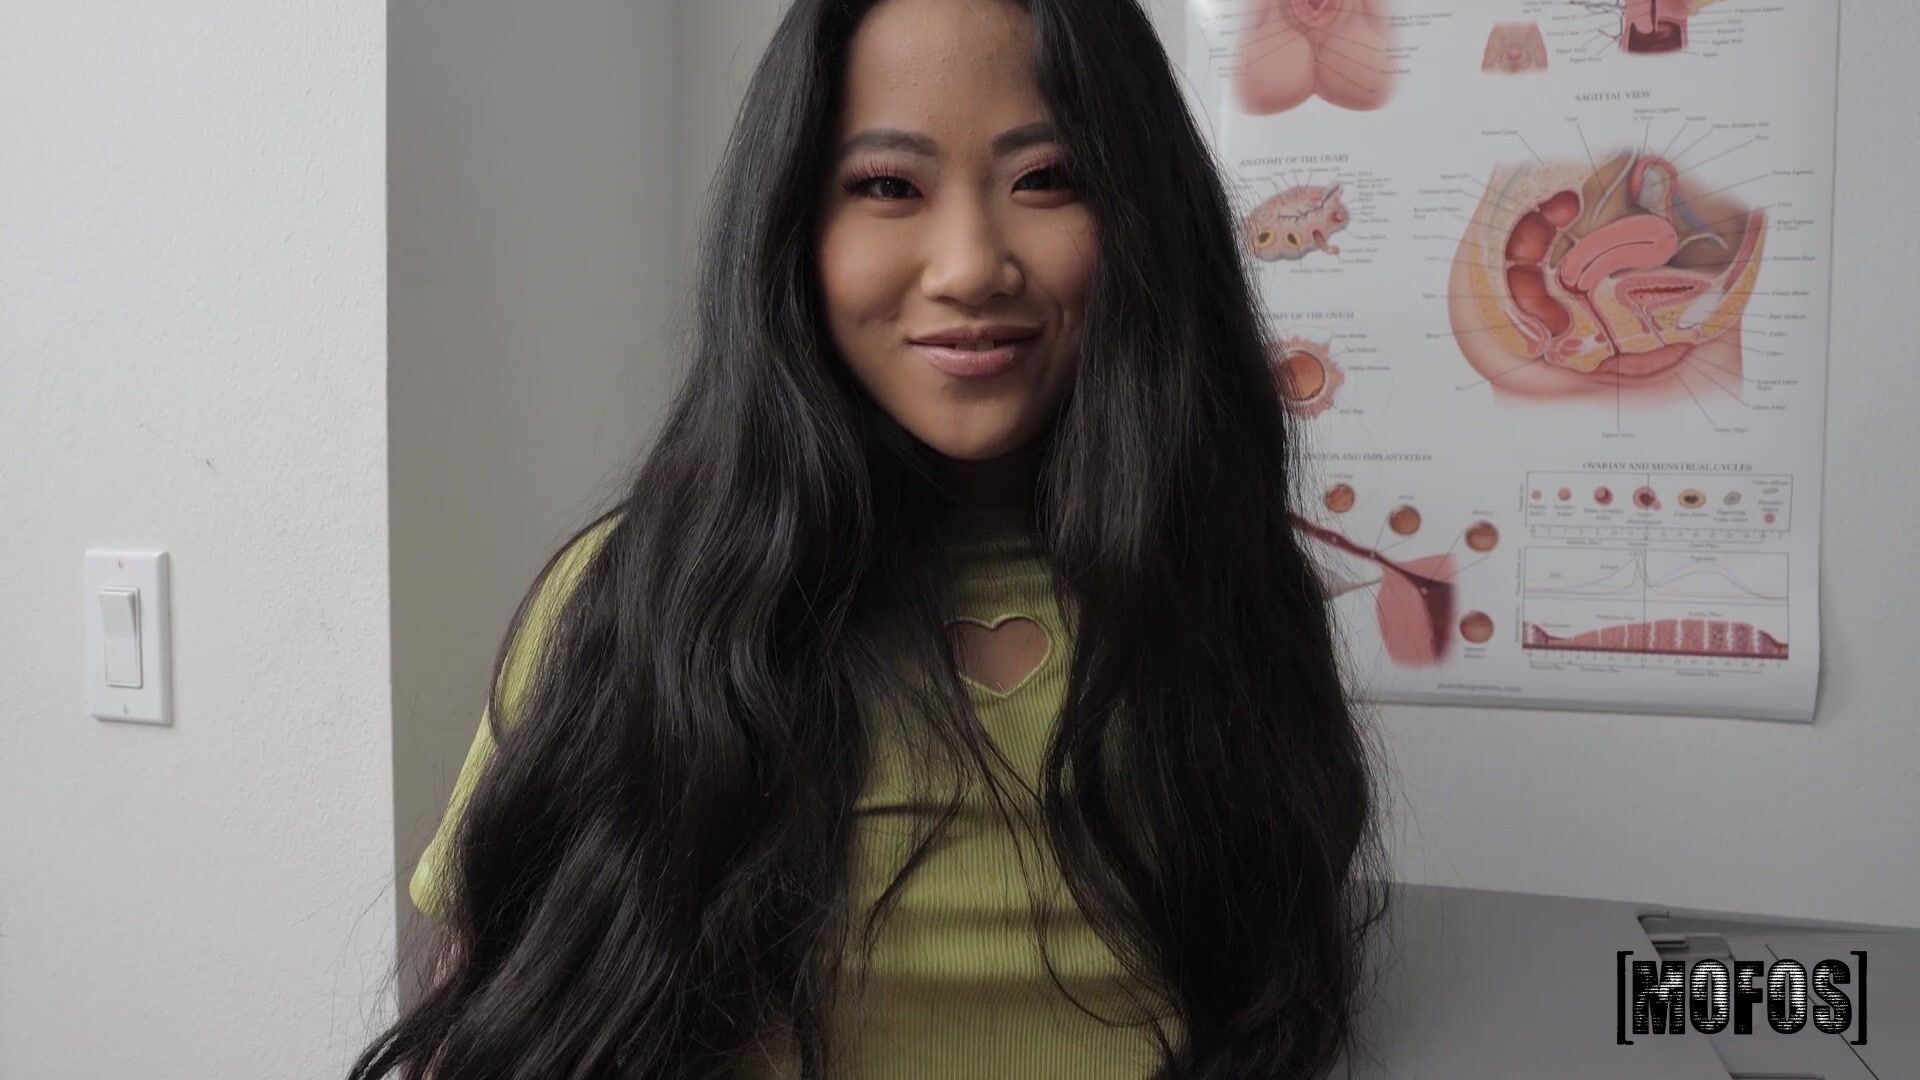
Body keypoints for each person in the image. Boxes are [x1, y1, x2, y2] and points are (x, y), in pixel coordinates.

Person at [350, 0, 1388, 1076]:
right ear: (791, 229)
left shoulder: (1233, 603)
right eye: (888, 187)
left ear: (1143, 216)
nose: (971, 267)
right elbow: (485, 1008)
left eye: (1047, 179)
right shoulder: (630, 597)